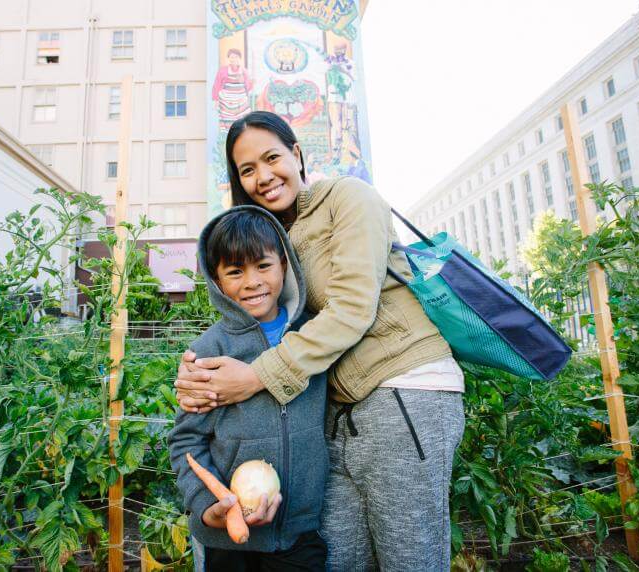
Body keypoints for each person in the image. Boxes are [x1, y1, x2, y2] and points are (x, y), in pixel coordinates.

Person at [175, 111, 465, 571]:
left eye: (272, 158)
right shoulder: (276, 236)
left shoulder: (349, 197)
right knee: (340, 561)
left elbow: (351, 309)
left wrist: (253, 376)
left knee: (410, 558)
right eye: (247, 170)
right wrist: (202, 377)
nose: (263, 177)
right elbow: (268, 327)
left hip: (404, 391)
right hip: (337, 417)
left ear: (297, 153)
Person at [168, 207, 329, 571]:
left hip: (299, 533)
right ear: (217, 281)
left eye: (263, 265)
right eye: (235, 271)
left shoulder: (313, 336)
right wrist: (208, 506)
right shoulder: (211, 350)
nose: (252, 281)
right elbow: (186, 441)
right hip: (228, 537)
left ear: (284, 266)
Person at [212, 48, 254, 130]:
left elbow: (248, 87)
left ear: (239, 59)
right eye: (231, 57)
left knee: (243, 122)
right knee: (227, 123)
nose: (233, 59)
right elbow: (216, 85)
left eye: (236, 57)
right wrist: (216, 100)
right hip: (226, 101)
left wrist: (252, 83)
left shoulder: (244, 71)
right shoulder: (222, 70)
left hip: (241, 101)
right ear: (228, 58)